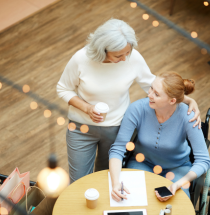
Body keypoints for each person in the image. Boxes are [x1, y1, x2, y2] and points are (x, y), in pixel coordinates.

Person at [57, 19, 202, 183]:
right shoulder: (81, 59)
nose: (125, 59)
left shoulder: (132, 58)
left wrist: (188, 101)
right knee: (78, 181)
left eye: (128, 52)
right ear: (103, 50)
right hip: (81, 129)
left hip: (116, 129)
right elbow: (63, 88)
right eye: (118, 55)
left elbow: (153, 86)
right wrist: (87, 108)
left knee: (105, 179)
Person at [109, 72, 210, 201]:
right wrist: (115, 183)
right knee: (131, 200)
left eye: (156, 94)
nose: (149, 95)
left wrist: (178, 184)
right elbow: (118, 148)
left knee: (177, 205)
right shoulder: (137, 109)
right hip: (142, 163)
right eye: (151, 88)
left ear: (172, 100)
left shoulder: (189, 117)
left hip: (177, 168)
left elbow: (204, 161)